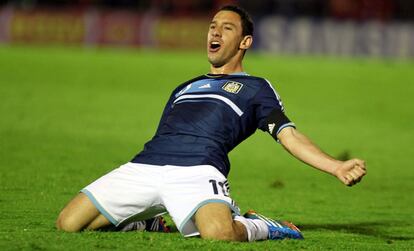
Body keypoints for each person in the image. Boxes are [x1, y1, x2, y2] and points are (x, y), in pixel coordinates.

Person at [56, 5, 366, 242]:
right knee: (68, 224)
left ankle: (265, 226)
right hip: (147, 165)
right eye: (212, 26)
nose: (215, 33)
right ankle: (153, 219)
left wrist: (335, 166)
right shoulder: (184, 87)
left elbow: (288, 135)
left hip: (199, 169)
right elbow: (164, 134)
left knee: (219, 234)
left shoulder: (256, 88)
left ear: (245, 42)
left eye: (226, 28)